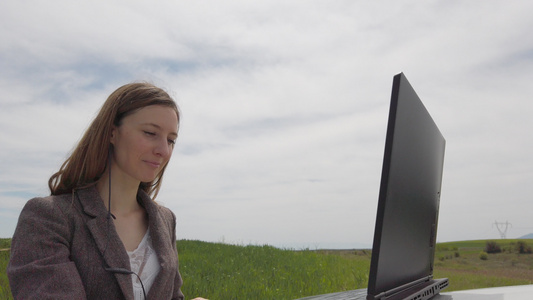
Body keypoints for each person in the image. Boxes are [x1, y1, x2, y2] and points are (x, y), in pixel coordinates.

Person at [8, 83, 206, 300]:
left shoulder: (166, 221)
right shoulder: (48, 217)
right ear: (112, 133)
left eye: (171, 140)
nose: (164, 150)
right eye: (150, 133)